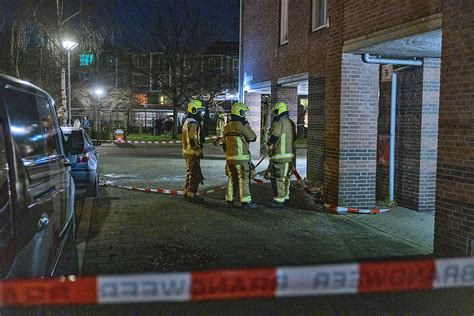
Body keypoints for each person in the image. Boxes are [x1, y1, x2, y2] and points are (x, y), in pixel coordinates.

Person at [223, 102, 258, 209]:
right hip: (242, 160)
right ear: (240, 113)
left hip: (229, 159)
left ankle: (229, 200)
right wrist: (247, 126)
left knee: (231, 179)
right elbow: (253, 137)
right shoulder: (242, 125)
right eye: (244, 113)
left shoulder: (227, 126)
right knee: (243, 180)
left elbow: (224, 144)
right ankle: (246, 202)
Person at [265, 102, 296, 208]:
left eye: (276, 112)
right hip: (289, 157)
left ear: (279, 111)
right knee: (286, 178)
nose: (275, 114)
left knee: (278, 179)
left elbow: (274, 136)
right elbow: (294, 138)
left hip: (279, 156)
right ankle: (286, 198)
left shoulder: (279, 121)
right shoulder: (291, 122)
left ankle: (279, 201)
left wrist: (268, 144)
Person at [182, 100, 206, 203]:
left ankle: (187, 191)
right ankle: (192, 194)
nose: (201, 113)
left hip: (186, 151)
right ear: (194, 110)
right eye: (200, 111)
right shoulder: (193, 122)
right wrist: (198, 150)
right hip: (192, 152)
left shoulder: (187, 121)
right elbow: (193, 138)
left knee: (190, 172)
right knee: (195, 174)